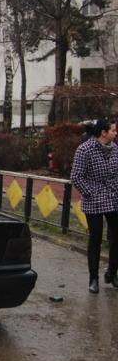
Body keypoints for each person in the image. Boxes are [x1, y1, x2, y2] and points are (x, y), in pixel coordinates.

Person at [70, 118, 118, 293]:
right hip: (94, 200)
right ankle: (93, 278)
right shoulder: (85, 150)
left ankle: (112, 272)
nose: (115, 132)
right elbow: (76, 177)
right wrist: (90, 193)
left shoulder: (115, 149)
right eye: (113, 130)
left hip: (113, 198)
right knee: (95, 239)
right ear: (103, 133)